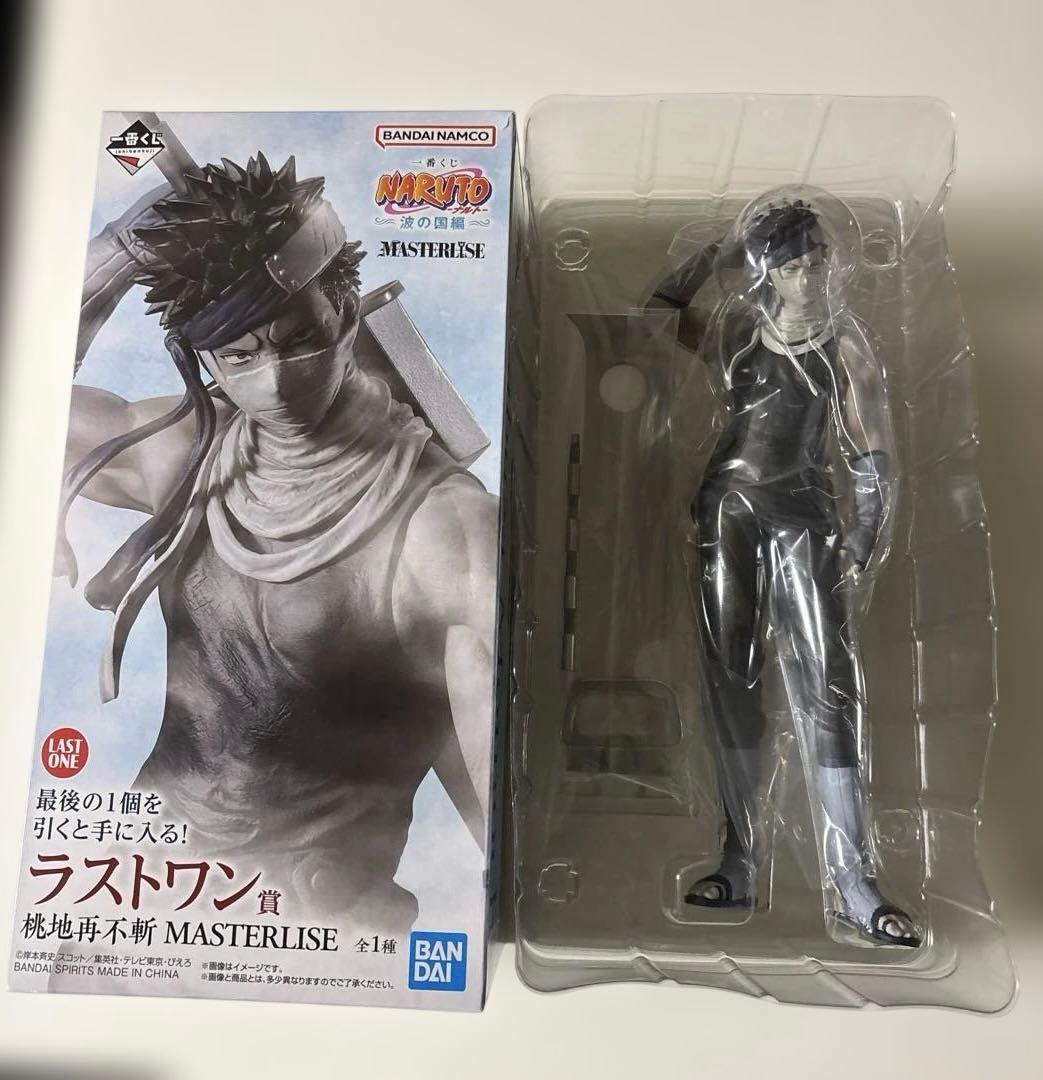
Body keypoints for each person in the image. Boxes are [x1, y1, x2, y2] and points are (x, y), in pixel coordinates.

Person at [58, 153, 497, 930]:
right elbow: (31, 405)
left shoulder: (447, 529)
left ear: (346, 313)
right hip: (135, 899)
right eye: (239, 357)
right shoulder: (187, 455)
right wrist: (118, 254)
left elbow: (497, 792)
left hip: (316, 926)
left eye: (299, 341)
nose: (275, 383)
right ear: (203, 360)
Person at [648, 195, 920, 946]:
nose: (808, 274)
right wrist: (722, 249)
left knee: (828, 681)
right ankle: (739, 859)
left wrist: (864, 529)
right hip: (728, 511)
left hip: (806, 514)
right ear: (769, 270)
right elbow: (662, 310)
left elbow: (869, 447)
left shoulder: (845, 344)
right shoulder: (741, 331)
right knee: (731, 678)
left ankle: (853, 880)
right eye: (792, 263)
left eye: (816, 259)